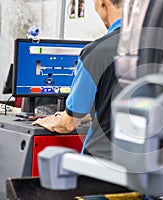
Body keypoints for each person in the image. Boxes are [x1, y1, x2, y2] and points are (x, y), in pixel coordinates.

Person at [33, 0, 122, 159]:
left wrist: (50, 121)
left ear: (103, 3)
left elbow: (69, 123)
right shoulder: (158, 46)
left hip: (102, 164)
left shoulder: (97, 52)